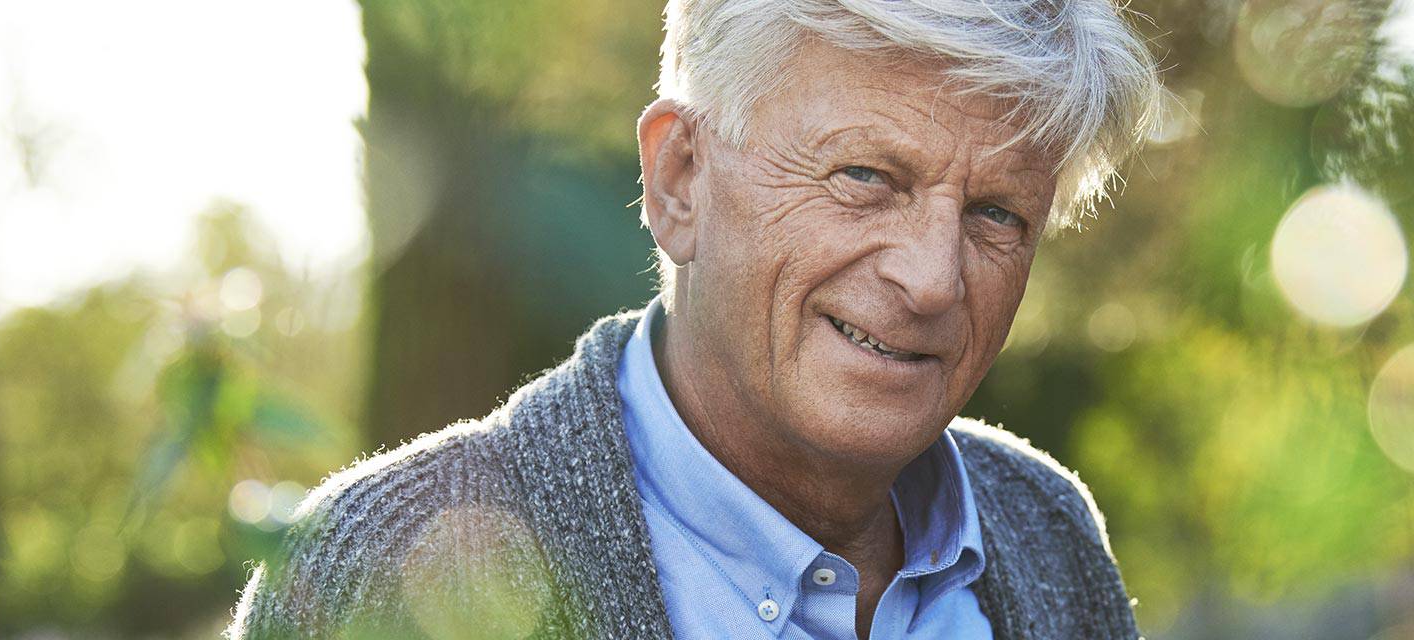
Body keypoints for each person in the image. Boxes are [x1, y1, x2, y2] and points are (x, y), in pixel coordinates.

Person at [229, 0, 1163, 637]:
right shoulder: (371, 564)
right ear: (679, 178)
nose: (931, 280)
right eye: (865, 177)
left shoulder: (1045, 534)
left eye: (996, 214)